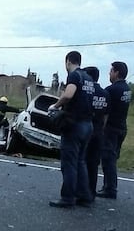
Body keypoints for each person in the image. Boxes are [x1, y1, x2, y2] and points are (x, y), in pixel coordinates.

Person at [48, 51, 95, 208]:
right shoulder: (88, 77)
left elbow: (68, 95)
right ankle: (84, 197)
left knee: (69, 163)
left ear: (68, 61)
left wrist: (55, 106)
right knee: (80, 162)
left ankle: (67, 198)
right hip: (88, 124)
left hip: (74, 124)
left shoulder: (74, 76)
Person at [97, 61, 132, 199]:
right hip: (122, 127)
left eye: (111, 71)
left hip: (111, 128)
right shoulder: (126, 89)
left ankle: (110, 188)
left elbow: (105, 112)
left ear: (117, 72)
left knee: (108, 159)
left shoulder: (111, 90)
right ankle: (109, 186)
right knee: (113, 158)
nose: (109, 73)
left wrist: (101, 129)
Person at [83, 66, 109, 200]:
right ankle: (91, 193)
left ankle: (81, 192)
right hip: (99, 131)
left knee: (82, 161)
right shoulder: (105, 93)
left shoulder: (88, 92)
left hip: (86, 129)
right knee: (93, 164)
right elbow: (106, 116)